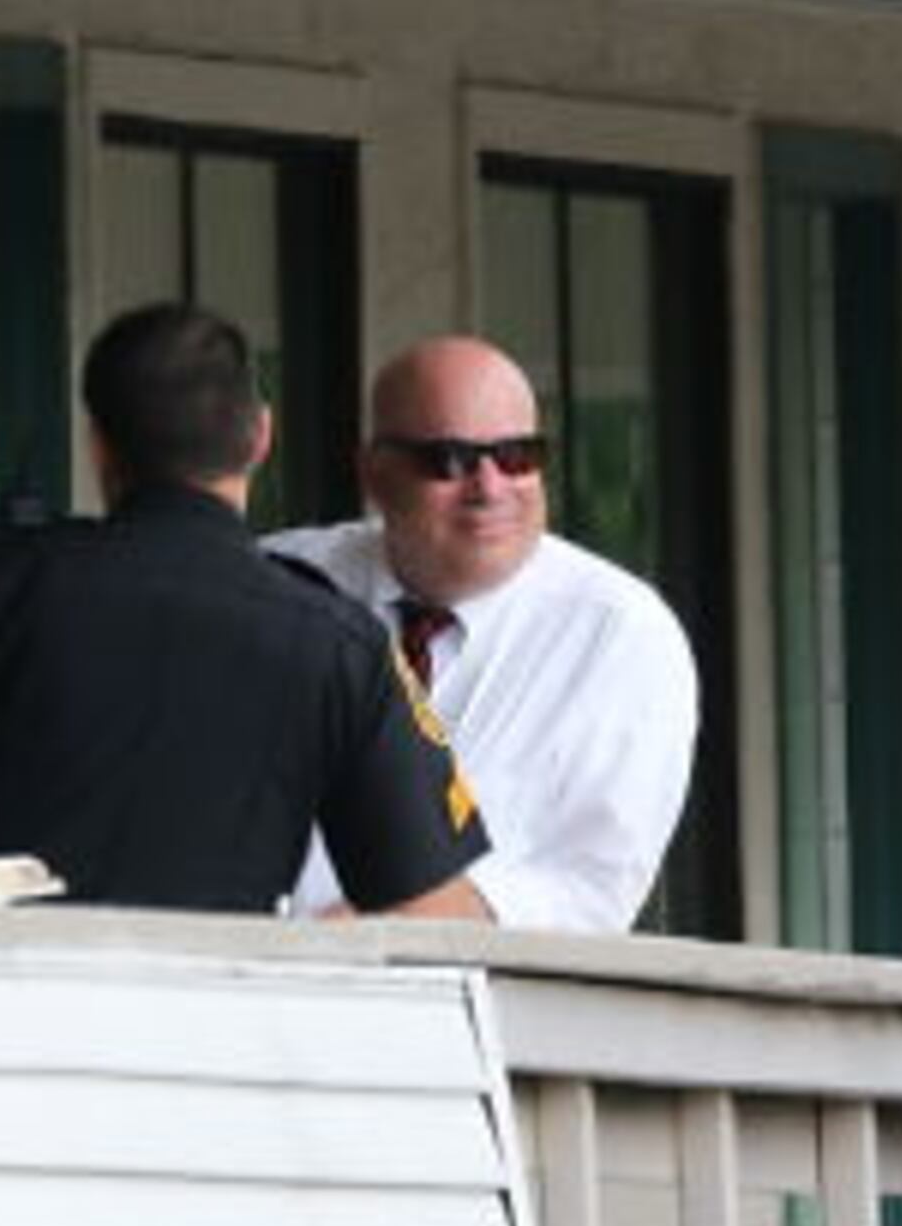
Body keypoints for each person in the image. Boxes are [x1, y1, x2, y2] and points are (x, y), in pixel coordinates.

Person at [0, 302, 489, 919]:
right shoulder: (340, 643)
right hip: (207, 1054)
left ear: (99, 446)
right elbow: (433, 909)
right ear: (260, 437)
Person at [268, 336, 698, 930]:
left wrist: (385, 924)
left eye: (518, 455)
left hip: (481, 1004)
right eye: (448, 460)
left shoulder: (620, 634)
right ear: (374, 473)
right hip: (247, 986)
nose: (490, 487)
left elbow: (595, 884)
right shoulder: (281, 586)